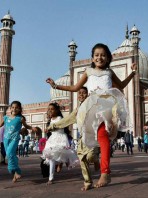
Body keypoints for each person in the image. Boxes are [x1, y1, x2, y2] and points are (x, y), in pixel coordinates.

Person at [47, 43, 136, 188]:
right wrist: (56, 86)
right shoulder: (88, 71)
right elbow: (75, 88)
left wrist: (132, 73)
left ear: (108, 58)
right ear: (92, 58)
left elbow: (121, 86)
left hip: (107, 106)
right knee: (89, 139)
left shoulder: (109, 72)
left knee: (103, 136)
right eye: (96, 55)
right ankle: (94, 161)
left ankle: (105, 172)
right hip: (92, 107)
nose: (99, 57)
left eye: (103, 55)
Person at [47, 87, 100, 191]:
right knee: (83, 160)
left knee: (90, 157)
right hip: (82, 137)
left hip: (92, 136)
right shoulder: (77, 110)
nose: (81, 95)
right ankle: (88, 182)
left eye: (84, 93)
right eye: (79, 93)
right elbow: (67, 120)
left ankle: (96, 160)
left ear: (88, 94)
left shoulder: (93, 105)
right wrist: (52, 126)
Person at [0, 101, 37, 183]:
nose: (14, 109)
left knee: (10, 154)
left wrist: (32, 128)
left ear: (20, 109)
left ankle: (13, 169)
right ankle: (16, 173)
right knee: (10, 155)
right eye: (13, 107)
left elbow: (26, 126)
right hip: (6, 139)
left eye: (16, 107)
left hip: (14, 139)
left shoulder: (20, 119)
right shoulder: (6, 118)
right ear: (10, 108)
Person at [43, 102, 79, 185]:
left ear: (57, 110)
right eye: (49, 109)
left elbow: (58, 126)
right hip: (52, 139)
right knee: (51, 157)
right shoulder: (50, 120)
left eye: (52, 109)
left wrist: (50, 128)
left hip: (60, 139)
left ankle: (60, 163)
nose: (50, 111)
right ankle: (51, 178)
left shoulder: (59, 118)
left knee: (62, 154)